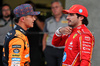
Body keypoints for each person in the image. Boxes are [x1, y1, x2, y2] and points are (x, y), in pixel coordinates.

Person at [42, 0, 68, 66]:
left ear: (61, 8)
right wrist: (44, 48)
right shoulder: (48, 21)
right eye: (52, 8)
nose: (54, 9)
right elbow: (45, 35)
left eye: (56, 7)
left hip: (63, 49)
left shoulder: (67, 19)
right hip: (50, 48)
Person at [25, 1, 45, 66]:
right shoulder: (21, 16)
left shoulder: (38, 16)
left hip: (35, 46)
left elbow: (43, 28)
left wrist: (35, 18)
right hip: (23, 44)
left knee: (35, 63)